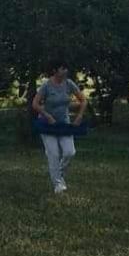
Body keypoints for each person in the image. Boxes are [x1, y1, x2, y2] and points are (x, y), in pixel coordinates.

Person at [31, 60, 87, 195]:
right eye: (62, 69)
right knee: (54, 154)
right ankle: (57, 185)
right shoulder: (46, 86)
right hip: (47, 124)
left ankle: (59, 174)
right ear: (55, 70)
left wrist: (79, 116)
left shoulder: (69, 84)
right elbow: (35, 104)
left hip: (64, 124)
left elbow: (83, 100)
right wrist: (47, 115)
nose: (65, 71)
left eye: (66, 68)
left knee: (70, 152)